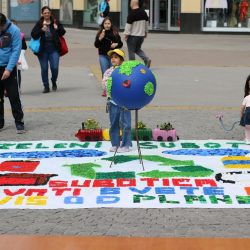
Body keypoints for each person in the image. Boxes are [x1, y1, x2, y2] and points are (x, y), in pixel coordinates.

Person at [102, 49, 132, 153]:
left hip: (125, 102)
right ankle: (115, 144)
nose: (113, 59)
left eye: (116, 57)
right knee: (114, 123)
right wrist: (112, 82)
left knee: (126, 124)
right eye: (112, 57)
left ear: (121, 60)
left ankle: (125, 145)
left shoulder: (126, 71)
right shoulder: (108, 71)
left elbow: (130, 83)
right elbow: (105, 84)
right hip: (112, 102)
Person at [31, 6, 66, 93]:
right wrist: (41, 30)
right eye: (45, 13)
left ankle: (53, 81)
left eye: (48, 13)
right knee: (44, 68)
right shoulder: (39, 23)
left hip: (54, 49)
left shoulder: (55, 22)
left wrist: (57, 28)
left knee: (54, 68)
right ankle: (46, 86)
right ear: (42, 14)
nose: (47, 14)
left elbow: (63, 32)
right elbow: (33, 35)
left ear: (50, 13)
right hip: (43, 50)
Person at [0, 13, 25, 133]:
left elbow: (16, 50)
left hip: (8, 67)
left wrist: (9, 69)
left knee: (13, 96)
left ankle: (19, 122)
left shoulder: (14, 30)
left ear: (4, 24)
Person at [94, 17, 123, 97]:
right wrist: (100, 38)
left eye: (108, 23)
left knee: (113, 73)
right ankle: (105, 90)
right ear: (103, 24)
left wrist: (116, 44)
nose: (107, 25)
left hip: (113, 56)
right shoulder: (100, 33)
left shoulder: (114, 32)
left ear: (111, 24)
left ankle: (113, 89)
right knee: (105, 72)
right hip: (103, 55)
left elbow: (120, 43)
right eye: (105, 24)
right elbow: (96, 45)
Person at [124, 0, 151, 68]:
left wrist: (126, 35)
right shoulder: (144, 12)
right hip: (141, 36)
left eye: (130, 2)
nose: (130, 3)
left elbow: (128, 26)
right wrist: (146, 32)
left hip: (132, 36)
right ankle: (146, 59)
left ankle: (132, 67)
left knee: (131, 52)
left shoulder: (131, 14)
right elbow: (146, 24)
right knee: (137, 49)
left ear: (133, 3)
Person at [11, 19, 27, 91]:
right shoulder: (4, 35)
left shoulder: (21, 35)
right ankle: (7, 89)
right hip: (7, 56)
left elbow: (24, 47)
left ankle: (18, 88)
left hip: (17, 56)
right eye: (11, 25)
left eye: (14, 25)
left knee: (17, 72)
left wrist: (20, 50)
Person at [240, 75, 250, 144]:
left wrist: (241, 117)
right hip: (247, 113)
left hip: (247, 113)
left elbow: (242, 108)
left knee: (247, 127)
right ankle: (247, 139)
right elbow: (242, 108)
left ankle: (247, 139)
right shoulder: (247, 97)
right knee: (247, 127)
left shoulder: (247, 97)